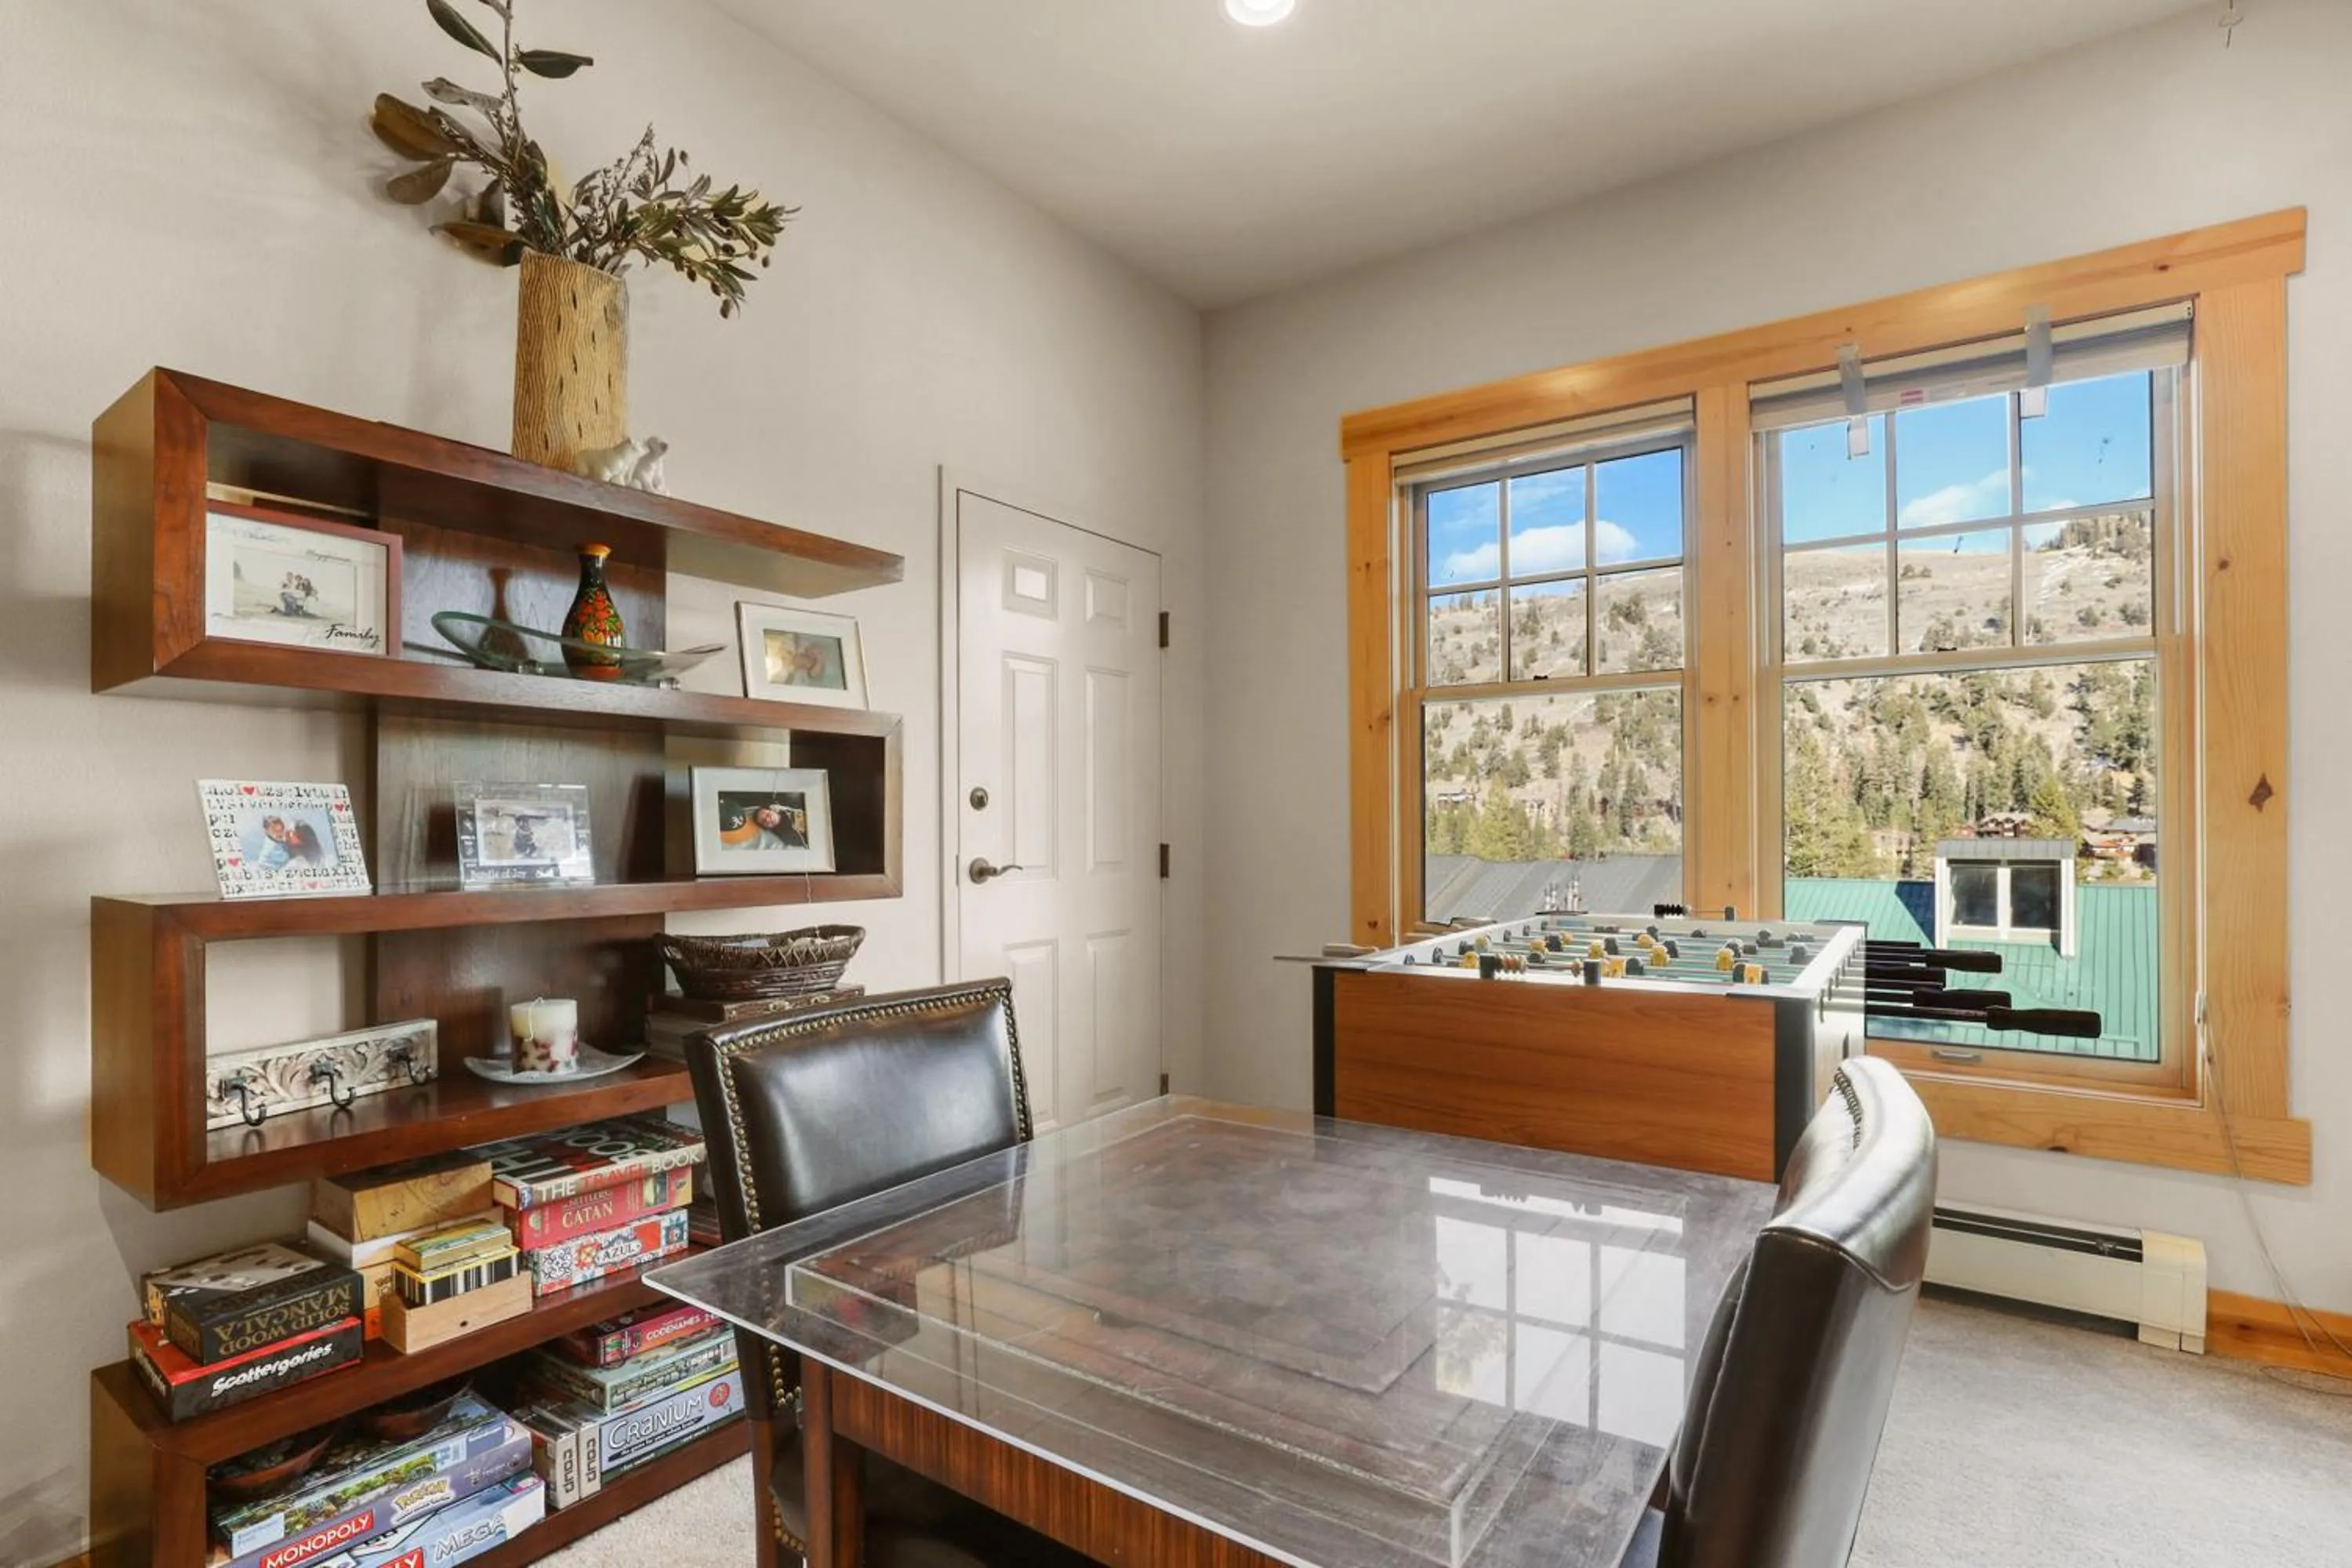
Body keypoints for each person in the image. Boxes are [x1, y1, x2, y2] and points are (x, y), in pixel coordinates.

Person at [719, 798, 808, 850]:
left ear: (773, 809)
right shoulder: (786, 837)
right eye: (765, 822)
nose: (768, 819)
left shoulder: (786, 804)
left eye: (768, 814)